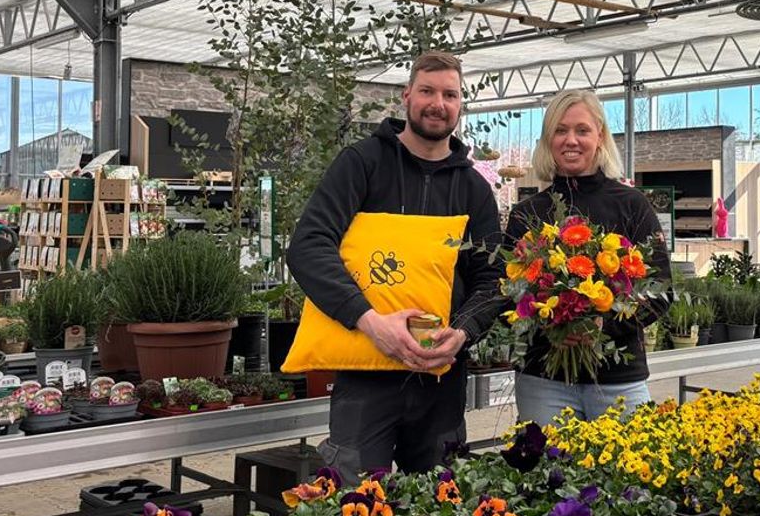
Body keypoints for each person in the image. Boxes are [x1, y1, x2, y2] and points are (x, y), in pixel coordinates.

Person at [287, 50, 502, 484]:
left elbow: (493, 278)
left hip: (441, 382)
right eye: (427, 91)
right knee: (354, 506)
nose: (437, 103)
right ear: (406, 96)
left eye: (450, 94)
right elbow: (308, 246)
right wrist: (370, 322)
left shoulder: (473, 189)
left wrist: (461, 333)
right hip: (365, 375)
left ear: (461, 105)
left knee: (438, 511)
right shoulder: (362, 164)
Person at [503, 89, 672, 426]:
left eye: (582, 130)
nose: (571, 140)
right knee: (547, 475)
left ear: (600, 137)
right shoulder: (526, 214)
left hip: (617, 378)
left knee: (627, 475)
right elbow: (508, 293)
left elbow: (661, 292)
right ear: (548, 139)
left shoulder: (631, 205)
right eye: (560, 130)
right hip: (543, 381)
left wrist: (601, 325)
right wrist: (549, 323)